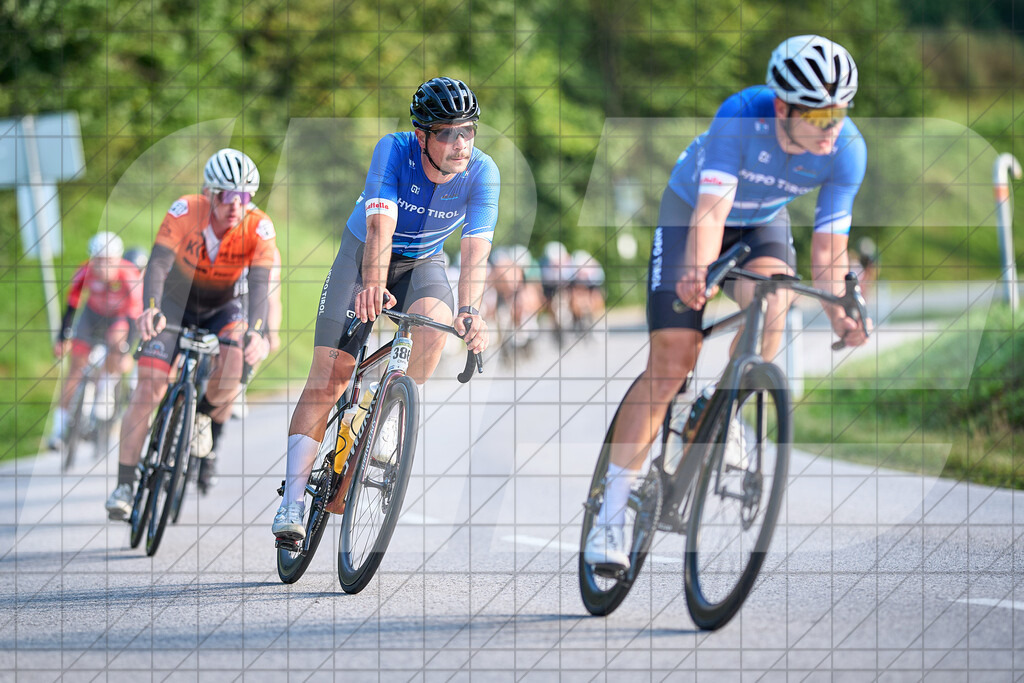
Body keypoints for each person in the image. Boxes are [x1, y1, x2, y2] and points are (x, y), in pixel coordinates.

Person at [583, 35, 872, 570]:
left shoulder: (846, 150)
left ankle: (724, 410)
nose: (833, 126)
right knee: (673, 360)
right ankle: (611, 513)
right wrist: (696, 272)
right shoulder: (741, 116)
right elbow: (711, 214)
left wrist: (839, 311)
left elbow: (829, 249)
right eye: (821, 114)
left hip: (763, 222)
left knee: (775, 300)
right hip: (694, 209)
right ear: (783, 107)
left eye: (841, 111)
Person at [272, 76, 499, 541]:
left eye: (468, 130)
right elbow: (380, 228)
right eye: (447, 132)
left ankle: (391, 414)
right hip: (364, 257)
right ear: (422, 136)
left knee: (435, 327)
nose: (460, 143)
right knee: (330, 375)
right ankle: (292, 501)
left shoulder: (483, 172)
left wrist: (472, 311)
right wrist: (373, 287)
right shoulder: (394, 151)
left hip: (424, 262)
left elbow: (475, 250)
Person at [104, 148, 275, 519]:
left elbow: (260, 288)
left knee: (234, 365)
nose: (235, 205)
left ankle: (204, 417)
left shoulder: (259, 226)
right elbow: (159, 263)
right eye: (226, 196)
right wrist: (150, 307)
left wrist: (259, 333)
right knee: (149, 387)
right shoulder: (185, 210)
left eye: (244, 197)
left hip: (222, 307)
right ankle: (124, 483)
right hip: (174, 303)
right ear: (208, 193)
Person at [49, 232, 143, 450]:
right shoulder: (85, 271)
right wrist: (62, 337)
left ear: (118, 259)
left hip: (119, 318)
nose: (102, 266)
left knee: (117, 342)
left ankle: (106, 390)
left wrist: (125, 352)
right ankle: (59, 428)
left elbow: (133, 316)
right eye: (97, 260)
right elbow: (72, 306)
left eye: (108, 261)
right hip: (91, 316)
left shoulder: (129, 275)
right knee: (75, 368)